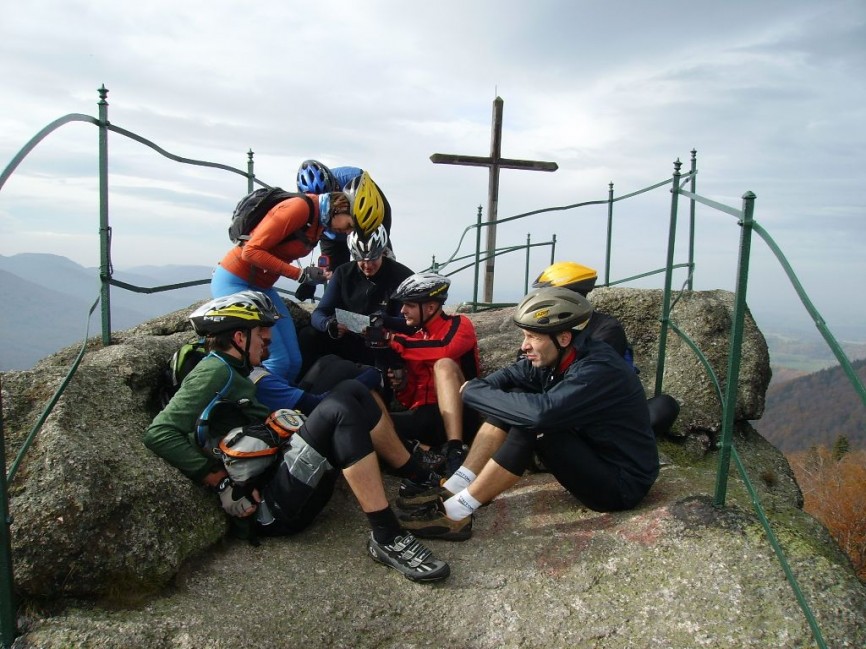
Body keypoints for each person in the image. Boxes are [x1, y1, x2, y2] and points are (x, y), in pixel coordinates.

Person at [143, 291, 450, 583]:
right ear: (239, 337)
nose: (268, 338)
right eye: (261, 331)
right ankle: (387, 535)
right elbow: (159, 432)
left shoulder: (234, 370)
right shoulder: (214, 371)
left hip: (283, 481)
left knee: (352, 391)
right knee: (340, 407)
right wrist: (220, 481)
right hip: (269, 509)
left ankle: (417, 476)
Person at [397, 287, 660, 541]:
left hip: (621, 484)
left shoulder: (597, 369)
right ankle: (456, 486)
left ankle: (457, 512)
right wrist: (476, 389)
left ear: (563, 338)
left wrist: (470, 391)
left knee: (532, 423)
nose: (524, 346)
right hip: (591, 452)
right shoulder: (556, 358)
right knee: (513, 404)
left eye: (532, 337)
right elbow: (502, 380)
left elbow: (540, 414)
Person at [211, 187, 354, 384]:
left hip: (262, 287)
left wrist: (313, 277)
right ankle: (258, 403)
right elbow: (250, 251)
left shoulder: (319, 223)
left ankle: (282, 401)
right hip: (235, 281)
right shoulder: (300, 208)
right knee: (277, 361)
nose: (348, 232)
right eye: (349, 225)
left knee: (294, 361)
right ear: (339, 208)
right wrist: (300, 275)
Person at [532, 261, 680, 436]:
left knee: (665, 405)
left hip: (599, 408)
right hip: (561, 403)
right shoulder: (548, 328)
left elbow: (588, 378)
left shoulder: (607, 329)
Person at [382, 272, 481, 490]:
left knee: (444, 365)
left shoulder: (460, 324)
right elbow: (411, 400)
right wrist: (402, 385)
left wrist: (393, 339)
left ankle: (455, 451)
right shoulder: (416, 339)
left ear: (430, 307)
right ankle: (430, 456)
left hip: (464, 414)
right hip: (427, 419)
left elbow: (444, 348)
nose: (402, 310)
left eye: (409, 305)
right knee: (373, 424)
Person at [299, 225, 414, 377]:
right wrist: (329, 324)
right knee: (308, 335)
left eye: (373, 259)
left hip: (383, 344)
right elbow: (319, 312)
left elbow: (412, 323)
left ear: (383, 252)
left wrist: (384, 321)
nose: (368, 265)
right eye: (361, 260)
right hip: (348, 339)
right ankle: (302, 384)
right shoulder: (343, 273)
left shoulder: (402, 276)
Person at [296, 160, 393, 277]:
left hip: (362, 229)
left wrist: (383, 241)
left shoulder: (354, 177)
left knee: (382, 269)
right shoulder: (303, 205)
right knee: (336, 276)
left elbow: (383, 208)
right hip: (331, 238)